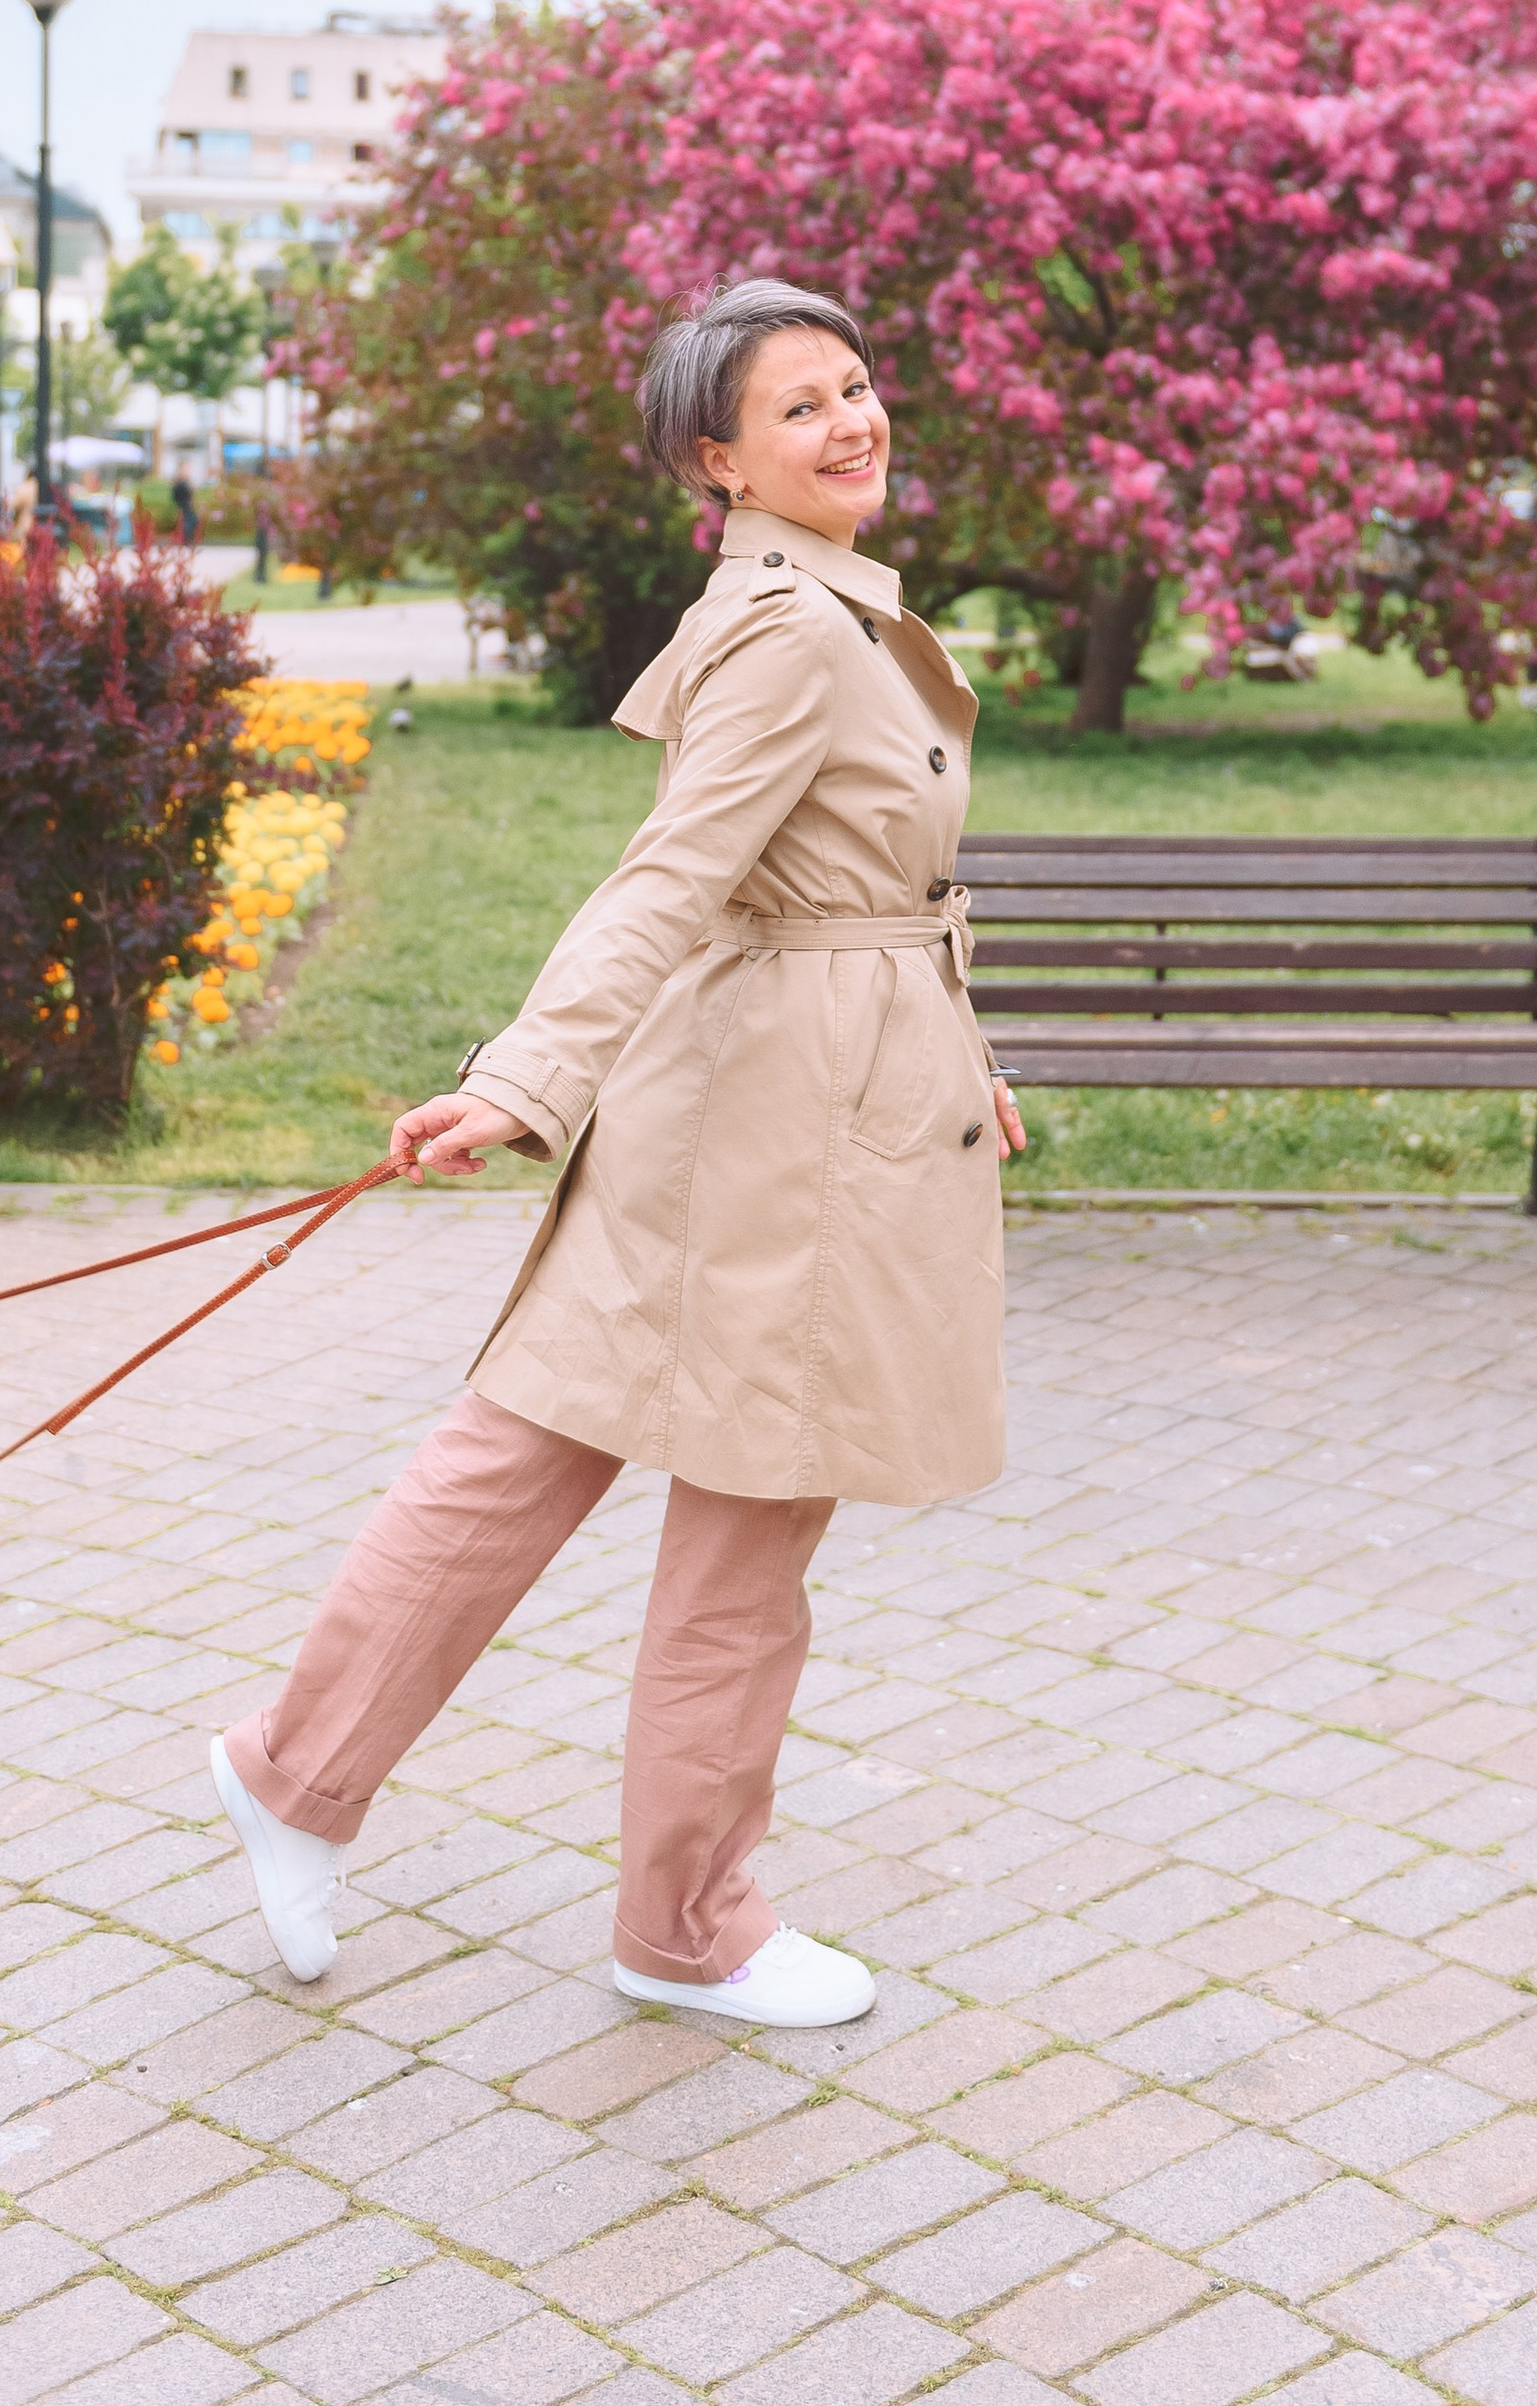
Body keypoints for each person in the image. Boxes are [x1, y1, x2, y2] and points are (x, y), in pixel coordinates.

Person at [209, 276, 1024, 2030]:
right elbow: (673, 870)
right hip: (786, 1134)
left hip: (785, 1095)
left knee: (523, 1455)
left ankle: (295, 1776)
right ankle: (688, 1925)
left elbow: (850, 895)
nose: (852, 421)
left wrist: (963, 1051)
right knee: (712, 1523)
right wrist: (524, 1077)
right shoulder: (797, 628)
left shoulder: (802, 607)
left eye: (858, 386)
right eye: (799, 407)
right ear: (713, 459)